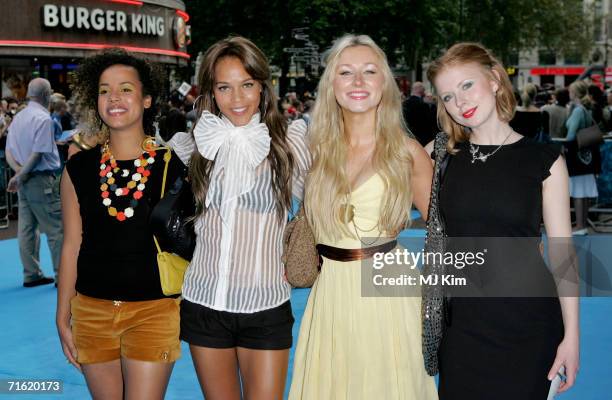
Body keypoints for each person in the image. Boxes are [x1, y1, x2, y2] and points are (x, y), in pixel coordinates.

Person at [426, 42, 579, 399]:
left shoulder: (545, 160)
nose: (460, 102)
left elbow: (562, 254)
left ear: (495, 79)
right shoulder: (439, 156)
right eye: (448, 96)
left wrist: (572, 337)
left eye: (467, 85)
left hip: (531, 326)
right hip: (461, 329)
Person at [289, 34, 437, 400]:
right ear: (331, 85)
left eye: (370, 71)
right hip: (330, 294)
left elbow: (449, 227)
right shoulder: (316, 150)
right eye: (346, 72)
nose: (358, 81)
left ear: (384, 84)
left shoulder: (407, 152)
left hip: (390, 292)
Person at [168, 36, 310, 400]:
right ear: (211, 93)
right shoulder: (194, 147)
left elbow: (332, 193)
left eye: (247, 85)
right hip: (203, 302)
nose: (237, 99)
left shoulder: (289, 145)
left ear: (263, 86)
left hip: (265, 305)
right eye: (224, 87)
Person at [56, 48, 185, 399]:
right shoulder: (78, 169)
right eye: (104, 90)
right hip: (92, 312)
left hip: (154, 311)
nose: (114, 97)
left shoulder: (175, 166)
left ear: (146, 99)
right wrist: (62, 313)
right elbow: (72, 244)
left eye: (126, 89)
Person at [5, 78, 62, 287]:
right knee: (56, 229)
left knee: (27, 229)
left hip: (25, 180)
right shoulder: (44, 119)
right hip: (40, 180)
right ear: (47, 94)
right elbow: (38, 154)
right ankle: (62, 275)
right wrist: (21, 175)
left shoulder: (19, 118)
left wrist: (18, 173)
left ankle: (31, 273)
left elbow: (9, 151)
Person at [565, 80, 600, 235]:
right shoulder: (586, 109)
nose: (569, 93)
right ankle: (583, 224)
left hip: (576, 154)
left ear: (575, 93)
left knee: (578, 190)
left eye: (571, 90)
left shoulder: (578, 110)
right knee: (584, 190)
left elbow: (571, 134)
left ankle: (579, 226)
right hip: (587, 154)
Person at [402, 81, 438, 145]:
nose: (424, 90)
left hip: (409, 137)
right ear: (418, 89)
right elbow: (430, 121)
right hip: (423, 138)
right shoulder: (423, 104)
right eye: (423, 88)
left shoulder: (404, 103)